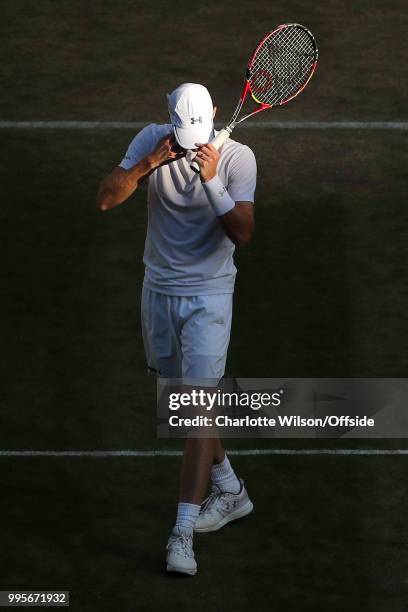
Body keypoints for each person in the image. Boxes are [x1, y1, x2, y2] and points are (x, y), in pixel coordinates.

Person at [96, 83, 257, 576]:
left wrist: (212, 181)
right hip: (159, 292)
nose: (193, 142)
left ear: (213, 113)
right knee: (185, 410)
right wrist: (145, 166)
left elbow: (243, 232)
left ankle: (182, 532)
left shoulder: (238, 158)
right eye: (184, 135)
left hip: (209, 296)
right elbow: (105, 199)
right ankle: (230, 489)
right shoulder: (151, 140)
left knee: (196, 410)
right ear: (169, 121)